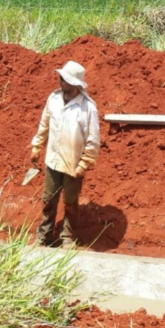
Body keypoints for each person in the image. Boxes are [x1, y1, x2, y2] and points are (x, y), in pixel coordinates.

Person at [30, 61, 100, 248]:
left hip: (73, 164)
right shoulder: (53, 99)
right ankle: (44, 236)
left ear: (75, 83)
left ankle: (67, 237)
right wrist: (37, 146)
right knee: (48, 200)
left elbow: (93, 140)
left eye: (64, 79)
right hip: (52, 160)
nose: (60, 81)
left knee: (70, 202)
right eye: (60, 77)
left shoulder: (88, 107)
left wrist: (83, 164)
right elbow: (44, 125)